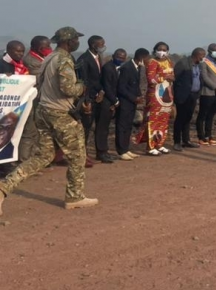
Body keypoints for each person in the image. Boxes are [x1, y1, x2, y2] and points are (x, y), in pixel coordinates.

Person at [0, 27, 99, 215]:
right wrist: (82, 87)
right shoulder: (63, 60)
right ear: (69, 42)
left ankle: (3, 188)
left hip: (44, 111)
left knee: (43, 156)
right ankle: (74, 195)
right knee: (77, 155)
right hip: (60, 113)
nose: (78, 43)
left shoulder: (49, 58)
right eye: (76, 40)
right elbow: (68, 88)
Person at [76, 35, 110, 163]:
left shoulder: (98, 57)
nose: (103, 47)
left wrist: (101, 91)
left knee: (100, 126)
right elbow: (84, 81)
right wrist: (87, 99)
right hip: (88, 98)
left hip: (98, 97)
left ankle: (101, 152)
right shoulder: (84, 59)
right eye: (101, 44)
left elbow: (97, 78)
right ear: (93, 45)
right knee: (85, 128)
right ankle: (82, 155)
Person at [140, 42, 177, 155]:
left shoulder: (169, 62)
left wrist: (172, 78)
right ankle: (150, 146)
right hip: (155, 96)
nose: (162, 51)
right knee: (153, 120)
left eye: (165, 49)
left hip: (167, 95)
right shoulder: (152, 62)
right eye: (160, 49)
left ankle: (160, 144)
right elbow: (151, 80)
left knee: (164, 121)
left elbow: (173, 76)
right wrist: (165, 77)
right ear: (155, 50)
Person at [96, 49, 128, 163]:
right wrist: (115, 101)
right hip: (106, 101)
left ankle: (104, 151)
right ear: (113, 55)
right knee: (102, 128)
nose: (121, 59)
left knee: (106, 128)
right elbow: (108, 87)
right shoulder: (108, 68)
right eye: (119, 57)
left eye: (123, 58)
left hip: (111, 101)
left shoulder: (118, 68)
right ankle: (101, 152)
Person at [116, 48, 147, 161]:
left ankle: (126, 149)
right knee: (122, 126)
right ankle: (121, 150)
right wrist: (134, 98)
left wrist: (139, 96)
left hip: (132, 102)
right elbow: (121, 87)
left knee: (129, 126)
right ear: (141, 57)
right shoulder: (127, 68)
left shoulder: (137, 68)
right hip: (125, 101)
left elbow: (134, 85)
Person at [172, 48, 204, 152]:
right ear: (196, 55)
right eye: (202, 56)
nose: (203, 58)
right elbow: (175, 79)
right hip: (183, 96)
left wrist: (198, 92)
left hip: (193, 95)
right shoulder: (183, 63)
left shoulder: (198, 65)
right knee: (180, 119)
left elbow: (199, 79)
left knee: (188, 118)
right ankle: (177, 142)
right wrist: (176, 95)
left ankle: (186, 140)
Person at [196, 44, 216, 146]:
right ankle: (201, 136)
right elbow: (204, 76)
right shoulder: (204, 62)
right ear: (209, 51)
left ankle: (209, 135)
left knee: (211, 115)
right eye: (215, 50)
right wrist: (215, 86)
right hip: (208, 92)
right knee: (202, 115)